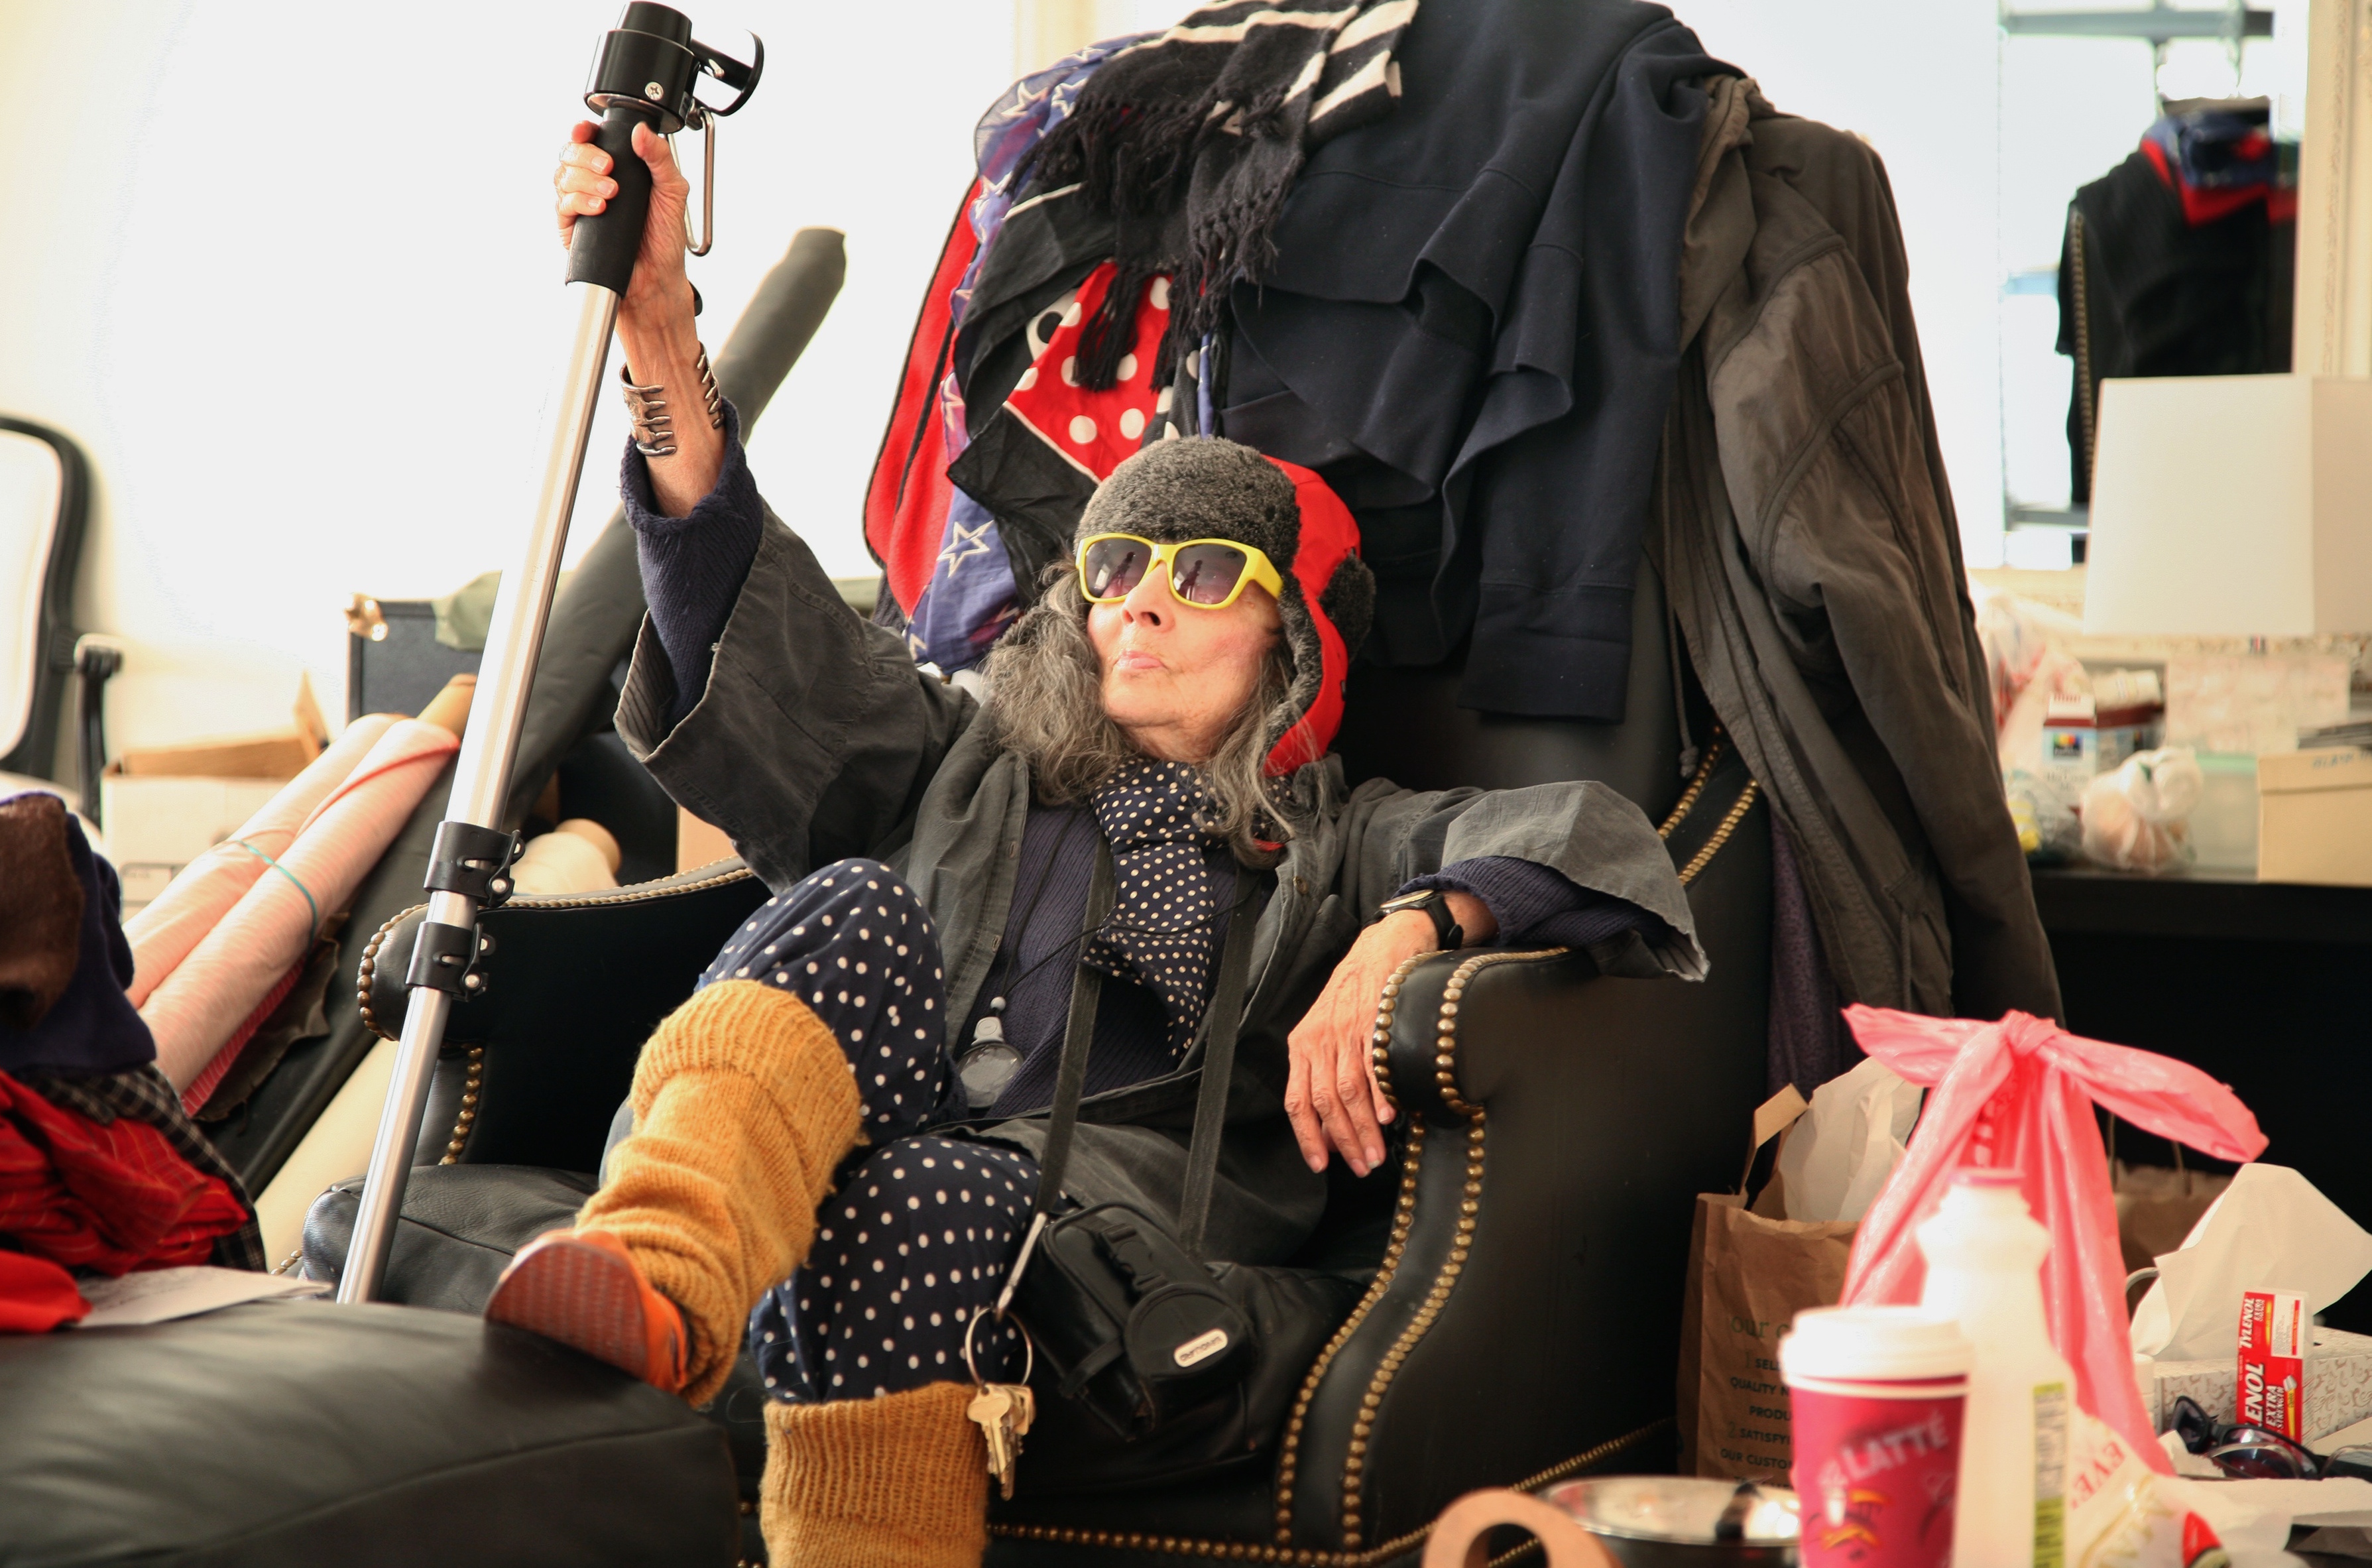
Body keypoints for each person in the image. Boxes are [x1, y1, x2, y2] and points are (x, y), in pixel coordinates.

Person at [485, 119, 1706, 1568]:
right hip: (830, 1159)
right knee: (858, 904)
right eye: (1114, 568)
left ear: (1293, 637)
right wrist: (662, 328)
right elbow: (746, 597)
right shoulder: (956, 759)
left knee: (923, 1194)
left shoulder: (1344, 838)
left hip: (1106, 1257)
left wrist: (1408, 929)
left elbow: (1591, 833)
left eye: (1202, 574)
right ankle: (658, 1276)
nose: (1139, 603)